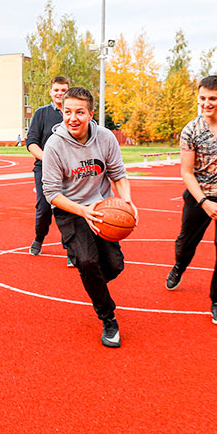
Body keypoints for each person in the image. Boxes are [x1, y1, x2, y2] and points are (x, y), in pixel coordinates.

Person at [41, 87, 136, 348]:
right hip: (70, 209)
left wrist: (125, 200)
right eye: (67, 111)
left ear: (90, 114)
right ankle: (108, 318)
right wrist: (82, 211)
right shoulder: (54, 145)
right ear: (62, 112)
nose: (73, 117)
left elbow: (118, 173)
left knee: (114, 265)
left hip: (103, 206)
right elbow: (51, 192)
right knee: (87, 261)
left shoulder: (105, 138)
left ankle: (93, 284)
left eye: (79, 112)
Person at [165, 75, 217, 326]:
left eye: (212, 98)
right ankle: (180, 266)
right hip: (199, 194)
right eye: (202, 98)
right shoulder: (190, 130)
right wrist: (204, 202)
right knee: (185, 242)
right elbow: (186, 173)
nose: (206, 103)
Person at [26, 75, 73, 265]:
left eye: (63, 90)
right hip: (45, 168)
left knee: (69, 209)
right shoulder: (41, 113)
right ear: (51, 92)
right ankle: (39, 237)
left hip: (71, 170)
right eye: (57, 90)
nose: (60, 94)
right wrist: (49, 159)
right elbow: (31, 143)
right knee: (44, 208)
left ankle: (71, 248)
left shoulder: (74, 114)